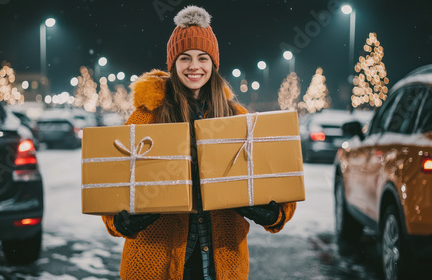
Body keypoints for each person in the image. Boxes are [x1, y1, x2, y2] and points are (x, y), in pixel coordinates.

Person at [101, 5, 296, 280]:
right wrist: (124, 219)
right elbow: (111, 192)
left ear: (213, 65)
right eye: (185, 58)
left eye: (203, 58)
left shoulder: (239, 119)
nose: (194, 66)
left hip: (221, 266)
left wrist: (268, 211)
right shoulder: (145, 118)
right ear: (172, 64)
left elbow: (281, 191)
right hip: (153, 264)